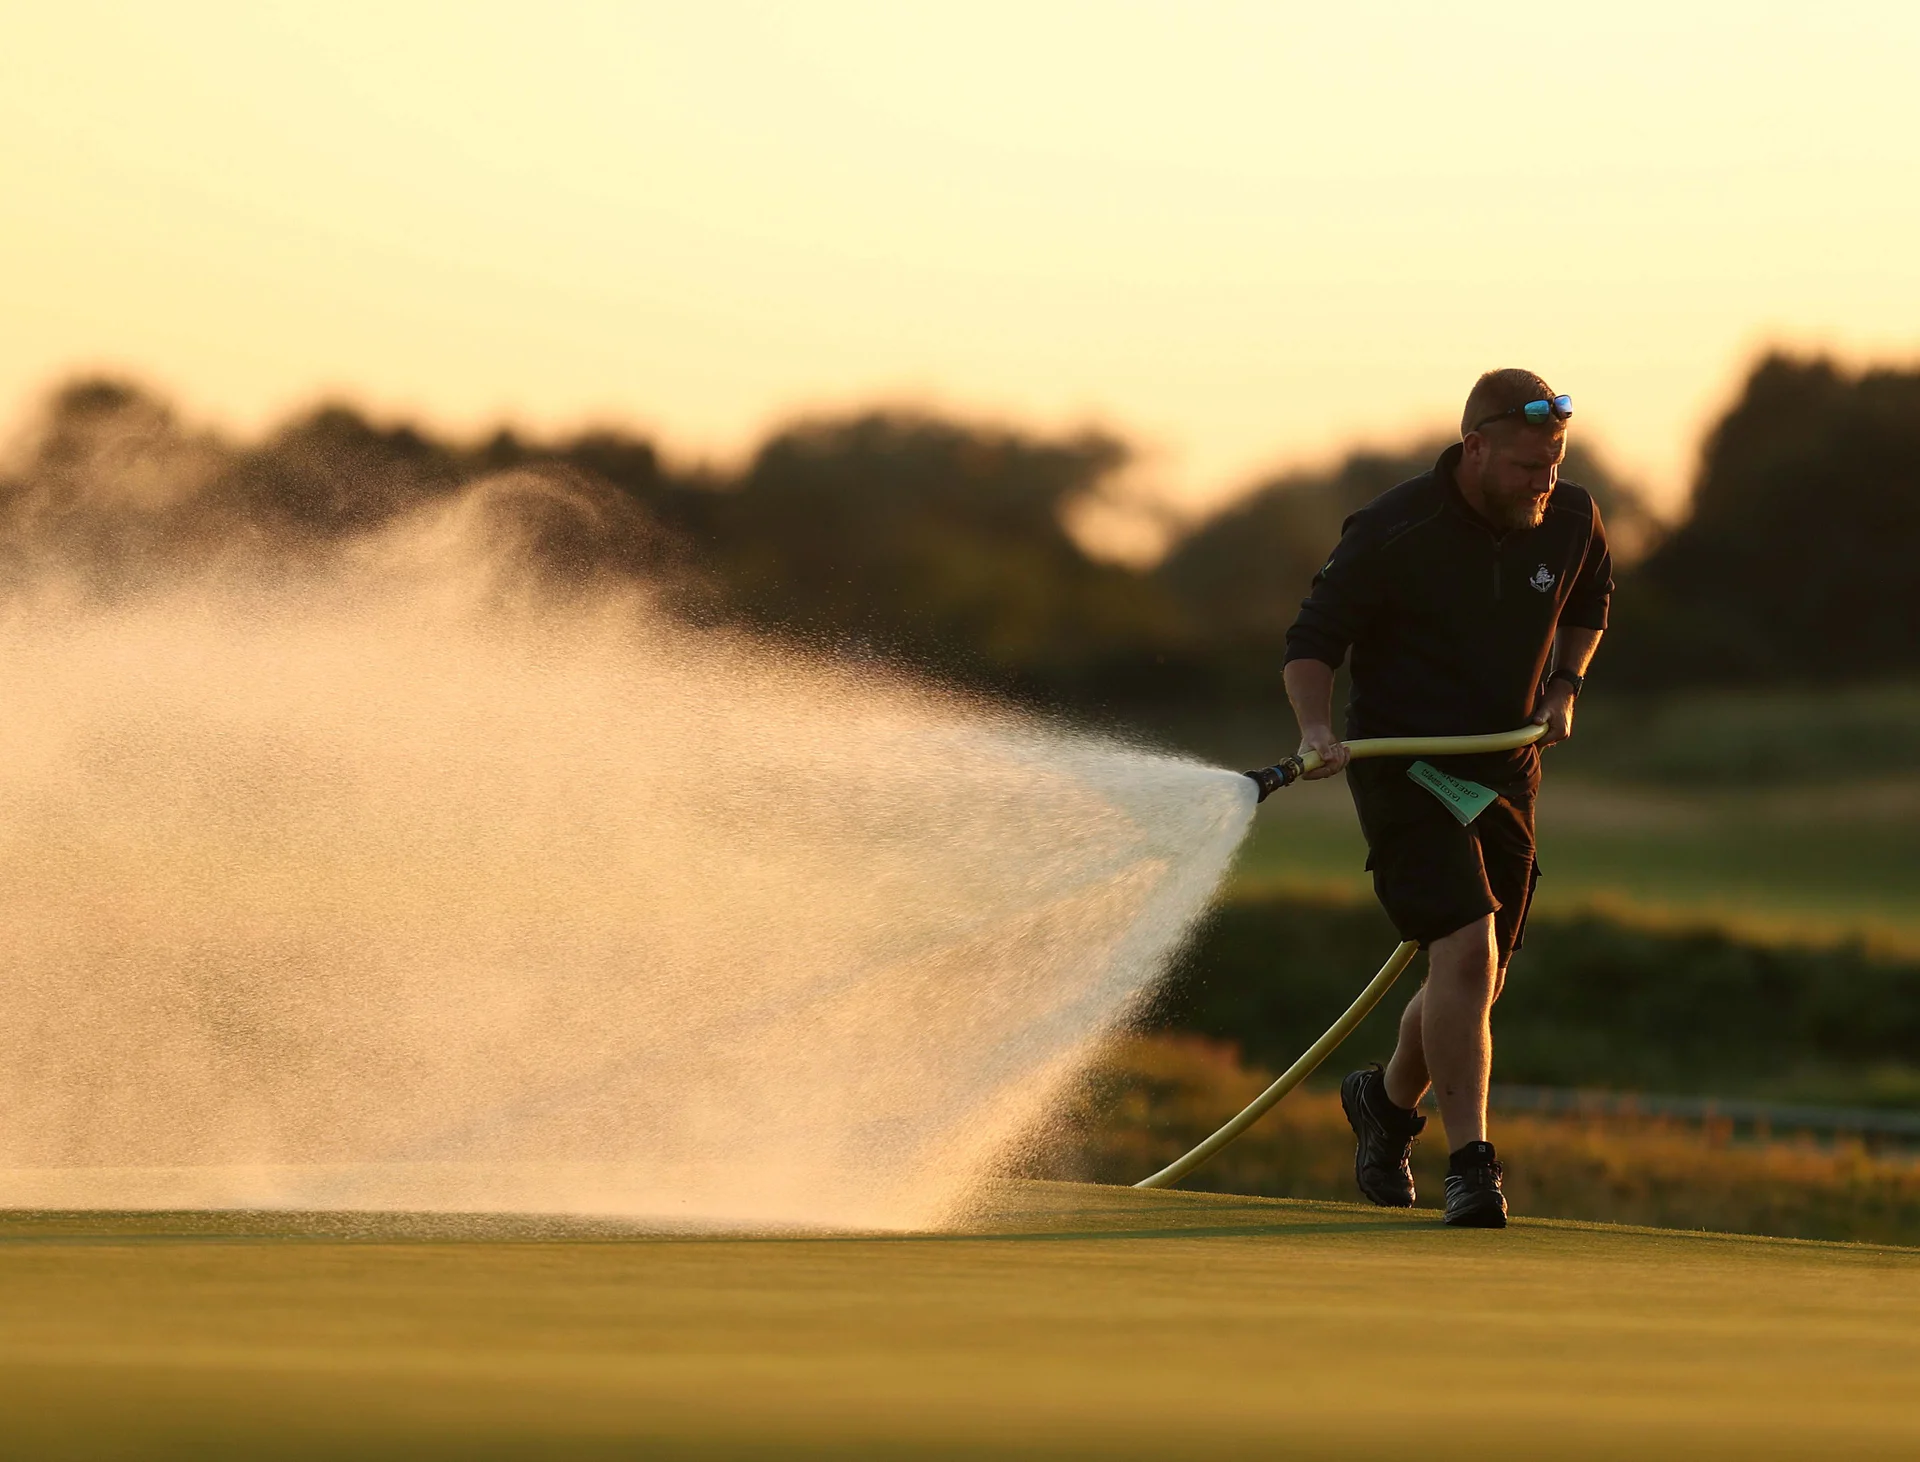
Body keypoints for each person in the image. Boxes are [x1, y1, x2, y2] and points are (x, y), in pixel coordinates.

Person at [1281, 369, 1612, 1227]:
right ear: (1474, 449)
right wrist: (1316, 731)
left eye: (1554, 463)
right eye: (1526, 466)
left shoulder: (1570, 515)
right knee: (1465, 950)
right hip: (1403, 767)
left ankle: (1384, 1106)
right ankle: (1473, 1166)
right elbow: (1312, 644)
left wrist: (1565, 686)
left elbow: (1591, 599)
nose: (1544, 482)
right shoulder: (1394, 529)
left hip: (1503, 767)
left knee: (1480, 975)